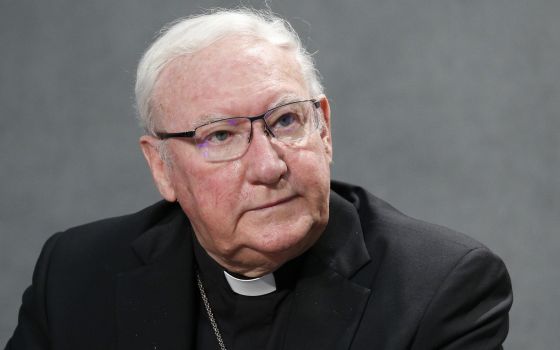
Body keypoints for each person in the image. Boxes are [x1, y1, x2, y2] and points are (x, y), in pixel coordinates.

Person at [6, 8, 512, 350]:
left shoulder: (441, 288)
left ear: (325, 130)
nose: (269, 167)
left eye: (286, 121)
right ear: (162, 168)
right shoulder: (74, 274)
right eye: (220, 136)